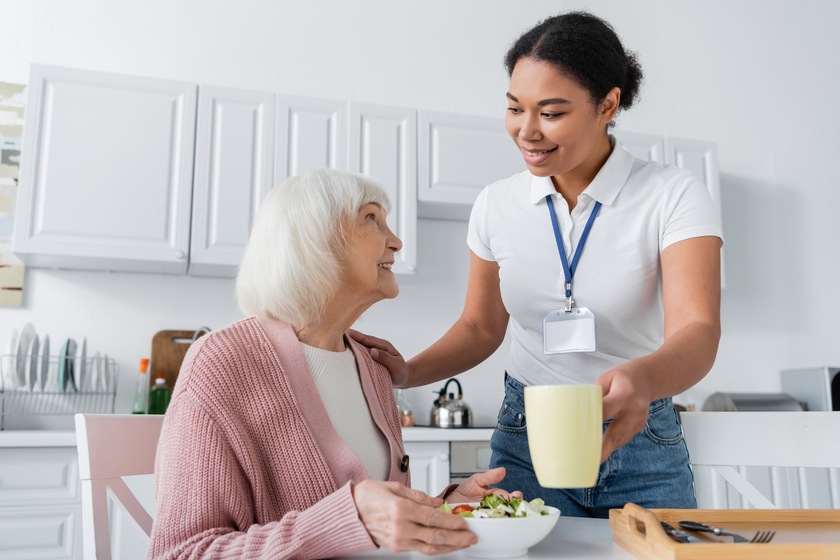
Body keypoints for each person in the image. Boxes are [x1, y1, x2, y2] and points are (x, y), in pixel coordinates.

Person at [351, 11, 723, 518]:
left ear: (607, 104)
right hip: (527, 441)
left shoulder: (673, 194)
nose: (526, 131)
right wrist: (410, 371)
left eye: (551, 113)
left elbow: (697, 329)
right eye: (514, 108)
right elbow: (480, 327)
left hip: (641, 439)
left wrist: (646, 378)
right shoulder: (495, 204)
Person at [149, 169, 521, 560]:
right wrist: (347, 519)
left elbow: (369, 525)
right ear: (315, 240)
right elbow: (182, 553)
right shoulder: (222, 363)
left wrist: (449, 507)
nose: (395, 241)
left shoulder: (373, 368)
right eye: (371, 218)